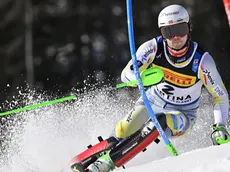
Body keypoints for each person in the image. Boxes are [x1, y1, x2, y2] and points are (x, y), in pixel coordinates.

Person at [73, 4, 230, 172]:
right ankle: (84, 160)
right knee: (122, 131)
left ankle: (105, 165)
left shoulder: (202, 61)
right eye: (168, 32)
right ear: (162, 32)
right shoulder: (153, 48)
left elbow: (220, 95)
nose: (175, 37)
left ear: (189, 28)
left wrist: (219, 125)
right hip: (152, 101)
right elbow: (126, 74)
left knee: (158, 122)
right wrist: (139, 79)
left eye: (180, 29)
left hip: (182, 115)